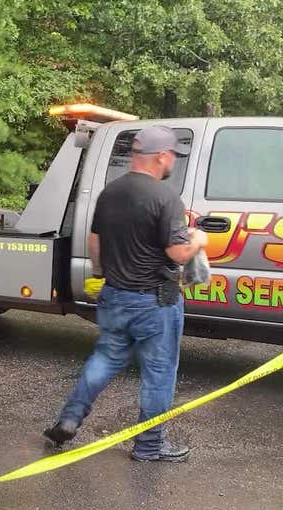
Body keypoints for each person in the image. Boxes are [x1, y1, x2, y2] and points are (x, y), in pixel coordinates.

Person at [43, 126, 208, 462]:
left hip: (115, 295)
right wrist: (200, 240)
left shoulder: (110, 193)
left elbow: (94, 242)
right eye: (173, 155)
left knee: (104, 360)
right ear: (161, 156)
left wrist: (105, 274)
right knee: (159, 374)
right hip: (155, 302)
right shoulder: (166, 198)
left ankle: (70, 418)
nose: (173, 161)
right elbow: (178, 254)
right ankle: (149, 446)